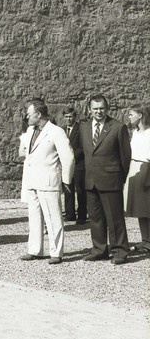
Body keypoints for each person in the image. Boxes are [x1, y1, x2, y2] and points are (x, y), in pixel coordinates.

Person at [75, 94, 131, 265]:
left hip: (111, 179)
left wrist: (119, 178)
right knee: (95, 217)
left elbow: (125, 157)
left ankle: (120, 251)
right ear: (90, 110)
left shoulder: (117, 127)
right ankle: (99, 249)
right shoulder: (84, 128)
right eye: (95, 109)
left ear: (107, 109)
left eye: (102, 108)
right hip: (91, 180)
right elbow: (81, 153)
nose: (99, 112)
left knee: (115, 218)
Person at [18, 99, 75, 264]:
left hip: (48, 180)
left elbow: (68, 157)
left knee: (53, 217)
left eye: (29, 114)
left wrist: (66, 181)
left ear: (38, 114)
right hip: (31, 180)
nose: (26, 116)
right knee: (34, 217)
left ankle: (56, 252)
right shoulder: (30, 130)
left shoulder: (56, 131)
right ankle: (34, 249)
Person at [124, 103, 150, 253]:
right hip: (134, 168)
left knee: (147, 207)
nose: (129, 117)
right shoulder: (135, 132)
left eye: (131, 114)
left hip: (146, 169)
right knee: (140, 208)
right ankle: (145, 239)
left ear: (140, 115)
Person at [61, 107, 87, 224]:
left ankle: (82, 215)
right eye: (66, 117)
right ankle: (70, 214)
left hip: (78, 164)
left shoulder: (81, 129)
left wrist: (70, 157)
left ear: (75, 117)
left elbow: (82, 147)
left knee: (80, 190)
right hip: (66, 165)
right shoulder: (61, 131)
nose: (68, 119)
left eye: (70, 116)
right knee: (68, 189)